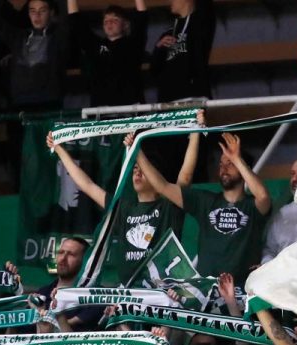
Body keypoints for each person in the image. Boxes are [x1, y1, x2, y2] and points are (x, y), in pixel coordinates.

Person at [51, 126, 200, 287]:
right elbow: (87, 185)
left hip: (160, 290)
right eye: (135, 168)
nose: (137, 173)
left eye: (143, 170)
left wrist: (195, 133)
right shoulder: (122, 208)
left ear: (156, 176)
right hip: (127, 290)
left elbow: (185, 177)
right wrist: (58, 149)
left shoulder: (169, 206)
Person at [139, 132, 272, 282]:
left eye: (230, 164)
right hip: (207, 288)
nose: (223, 168)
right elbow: (163, 187)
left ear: (243, 168)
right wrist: (137, 152)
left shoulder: (252, 206)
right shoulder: (205, 201)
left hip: (242, 288)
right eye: (221, 164)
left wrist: (237, 159)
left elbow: (263, 196)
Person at [0, 0, 77, 111]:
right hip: (20, 102)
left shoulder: (58, 36)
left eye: (42, 10)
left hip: (49, 101)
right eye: (33, 11)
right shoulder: (18, 37)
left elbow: (67, 17)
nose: (37, 15)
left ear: (51, 13)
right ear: (28, 14)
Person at [70, 0, 148, 107]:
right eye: (106, 20)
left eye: (115, 20)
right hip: (101, 109)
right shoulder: (96, 45)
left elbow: (142, 17)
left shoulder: (133, 43)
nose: (109, 23)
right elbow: (76, 21)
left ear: (125, 24)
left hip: (131, 108)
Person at [150, 0, 215, 103]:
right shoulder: (168, 34)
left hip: (194, 97)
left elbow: (207, 7)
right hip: (168, 100)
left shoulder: (201, 24)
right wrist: (158, 47)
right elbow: (154, 69)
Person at [261, 161, 297, 264]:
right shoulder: (282, 213)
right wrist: (268, 265)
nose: (295, 179)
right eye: (292, 174)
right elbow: (269, 250)